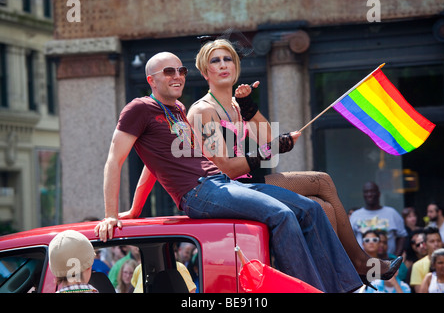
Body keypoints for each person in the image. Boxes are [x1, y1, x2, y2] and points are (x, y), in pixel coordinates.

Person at [94, 51, 364, 292]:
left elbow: (151, 167)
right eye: (168, 72)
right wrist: (110, 214)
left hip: (220, 183)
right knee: (281, 214)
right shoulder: (139, 108)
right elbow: (114, 160)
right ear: (151, 80)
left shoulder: (178, 110)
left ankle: (343, 287)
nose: (177, 76)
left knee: (310, 208)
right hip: (198, 192)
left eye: (181, 70)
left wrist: (135, 210)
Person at [184, 38, 401, 281]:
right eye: (216, 61)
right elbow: (227, 167)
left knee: (323, 190)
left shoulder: (236, 104)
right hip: (229, 190)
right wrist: (271, 148)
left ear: (236, 67)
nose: (224, 65)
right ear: (205, 72)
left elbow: (268, 138)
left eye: (228, 59)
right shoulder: (203, 110)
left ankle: (343, 270)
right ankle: (354, 265)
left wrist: (248, 107)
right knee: (321, 192)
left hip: (251, 181)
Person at [350, 182, 408, 256]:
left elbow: (402, 236)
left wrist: (395, 258)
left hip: (388, 261)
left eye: (372, 191)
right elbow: (350, 240)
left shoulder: (392, 213)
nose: (369, 194)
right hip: (363, 263)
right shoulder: (355, 215)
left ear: (379, 194)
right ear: (363, 195)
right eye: (366, 192)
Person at [410, 226, 443, 292]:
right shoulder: (417, 266)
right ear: (425, 245)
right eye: (432, 241)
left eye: (438, 240)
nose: (436, 244)